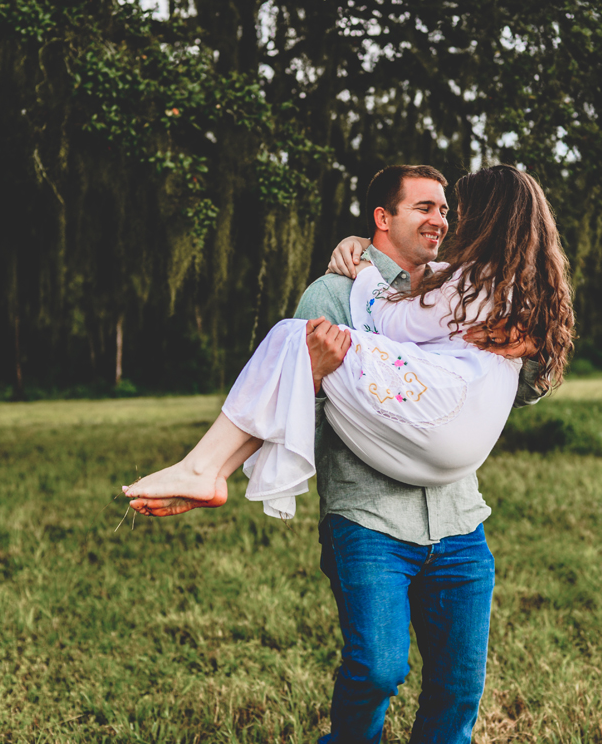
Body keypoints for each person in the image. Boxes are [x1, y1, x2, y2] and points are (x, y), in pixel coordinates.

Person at [125, 164, 574, 743]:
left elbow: (504, 395)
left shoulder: (465, 286)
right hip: (370, 518)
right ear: (383, 218)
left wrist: (531, 350)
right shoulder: (332, 293)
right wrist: (311, 376)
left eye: (446, 208)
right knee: (376, 671)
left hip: (459, 520)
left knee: (458, 690)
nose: (440, 219)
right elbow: (295, 405)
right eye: (424, 208)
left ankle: (204, 467)